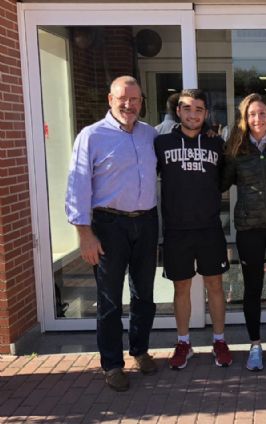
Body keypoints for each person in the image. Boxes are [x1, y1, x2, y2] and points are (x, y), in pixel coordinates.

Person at [65, 76, 159, 391]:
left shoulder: (149, 134)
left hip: (146, 223)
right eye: (123, 98)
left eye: (135, 100)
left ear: (141, 102)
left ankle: (140, 350)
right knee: (109, 300)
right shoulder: (91, 136)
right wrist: (84, 234)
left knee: (145, 294)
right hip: (108, 226)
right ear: (110, 99)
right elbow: (77, 188)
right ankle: (112, 364)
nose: (129, 105)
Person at [154, 89, 231, 370]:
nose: (193, 114)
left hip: (209, 227)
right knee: (181, 287)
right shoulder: (160, 142)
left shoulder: (216, 144)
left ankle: (220, 340)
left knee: (215, 285)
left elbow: (224, 180)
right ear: (178, 111)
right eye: (187, 108)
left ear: (206, 114)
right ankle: (183, 342)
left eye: (199, 109)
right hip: (176, 229)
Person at [221, 93, 266, 371]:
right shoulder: (237, 148)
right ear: (245, 118)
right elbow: (222, 183)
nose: (257, 119)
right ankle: (254, 345)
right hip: (249, 228)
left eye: (262, 113)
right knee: (251, 289)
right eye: (252, 114)